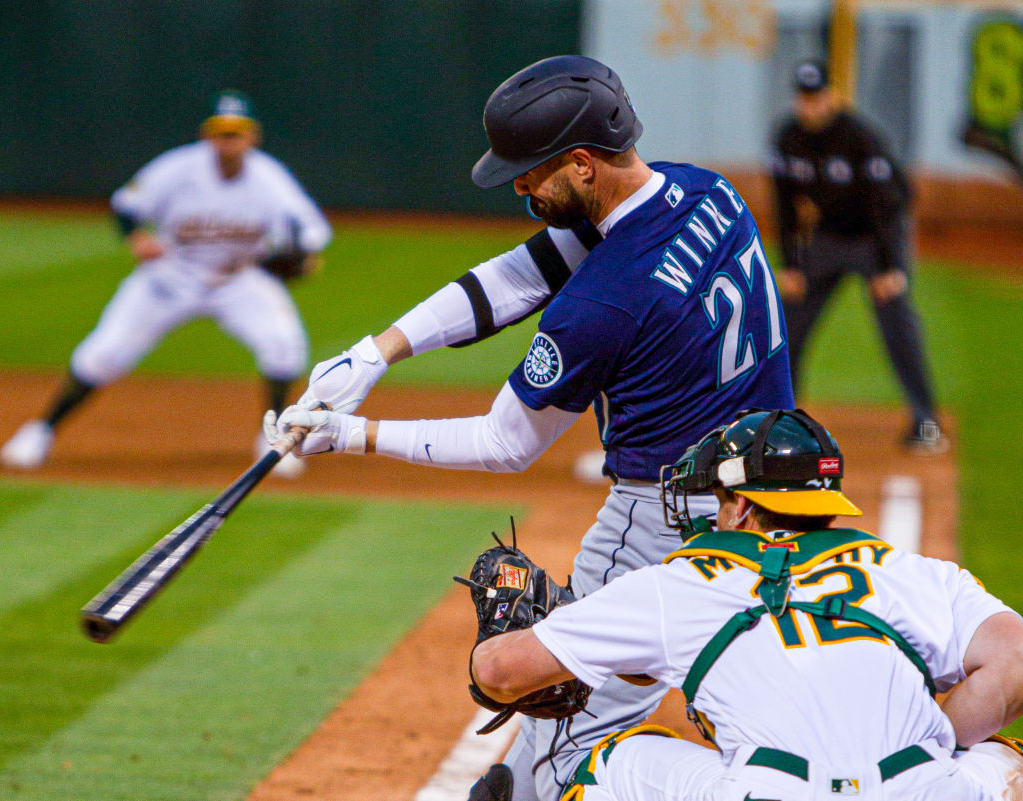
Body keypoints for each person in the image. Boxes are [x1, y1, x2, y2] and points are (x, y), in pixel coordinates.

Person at [267, 55, 794, 801]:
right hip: (782, 511)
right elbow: (521, 274)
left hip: (664, 533)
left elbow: (505, 443)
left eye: (530, 171)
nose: (517, 186)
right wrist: (377, 351)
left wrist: (349, 435)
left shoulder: (603, 304)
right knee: (789, 723)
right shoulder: (705, 191)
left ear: (581, 164)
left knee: (557, 750)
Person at [470, 409, 1023, 801]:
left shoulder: (681, 584)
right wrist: (938, 742)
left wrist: (494, 639)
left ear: (739, 507)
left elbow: (499, 673)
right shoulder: (914, 573)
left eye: (716, 497)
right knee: (1003, 761)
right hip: (923, 791)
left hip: (770, 792)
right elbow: (1015, 658)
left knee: (600, 765)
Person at [0, 91, 330, 476]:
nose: (229, 140)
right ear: (208, 135)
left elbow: (312, 231)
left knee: (285, 346)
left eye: (237, 132)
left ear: (252, 137)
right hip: (172, 276)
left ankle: (273, 442)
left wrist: (302, 257)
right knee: (103, 355)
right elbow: (126, 204)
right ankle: (40, 431)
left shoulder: (269, 178)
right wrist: (136, 238)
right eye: (222, 132)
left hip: (237, 279)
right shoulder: (177, 168)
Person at [771, 59, 947, 455]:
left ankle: (926, 419)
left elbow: (888, 203)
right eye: (804, 97)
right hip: (828, 238)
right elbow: (785, 208)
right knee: (787, 324)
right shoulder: (788, 138)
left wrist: (890, 267)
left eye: (817, 96)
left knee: (897, 322)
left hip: (875, 239)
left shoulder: (859, 137)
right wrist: (792, 265)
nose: (810, 105)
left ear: (832, 96)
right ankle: (780, 421)